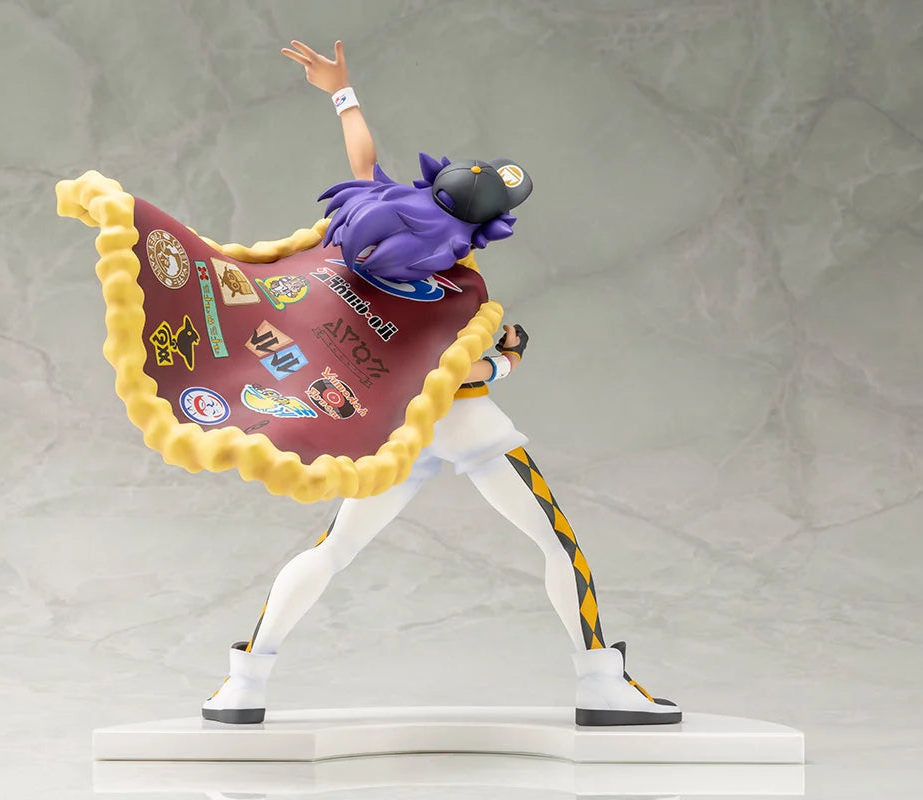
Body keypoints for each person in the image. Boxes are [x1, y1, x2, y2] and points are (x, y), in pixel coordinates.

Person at [202, 40, 681, 727]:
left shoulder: (355, 241)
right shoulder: (459, 293)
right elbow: (458, 373)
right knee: (557, 544)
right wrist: (508, 358)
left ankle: (244, 683)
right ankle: (601, 683)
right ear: (479, 230)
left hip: (391, 430)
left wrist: (341, 93)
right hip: (460, 421)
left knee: (333, 551)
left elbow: (362, 162)